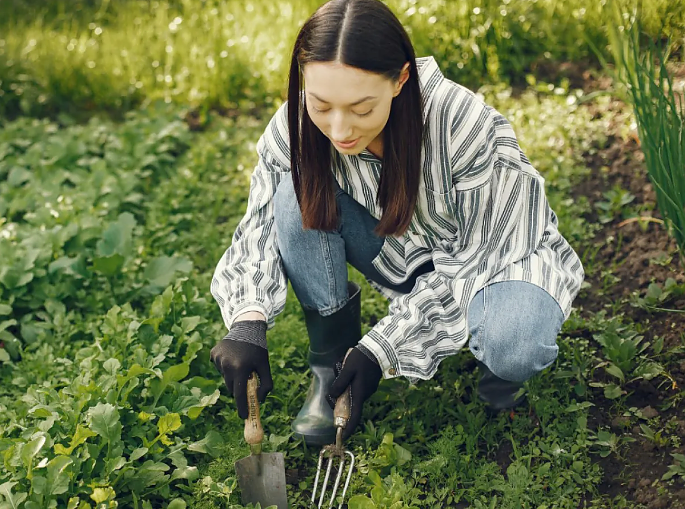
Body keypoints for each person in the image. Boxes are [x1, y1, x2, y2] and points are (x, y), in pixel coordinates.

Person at [209, 0, 584, 445]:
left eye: (362, 108)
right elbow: (260, 224)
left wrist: (379, 348)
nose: (339, 128)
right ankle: (331, 371)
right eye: (321, 104)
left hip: (497, 260)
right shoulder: (296, 123)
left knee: (513, 343)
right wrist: (247, 320)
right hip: (401, 251)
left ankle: (497, 372)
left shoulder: (461, 124)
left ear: (401, 79)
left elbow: (477, 262)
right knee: (291, 192)